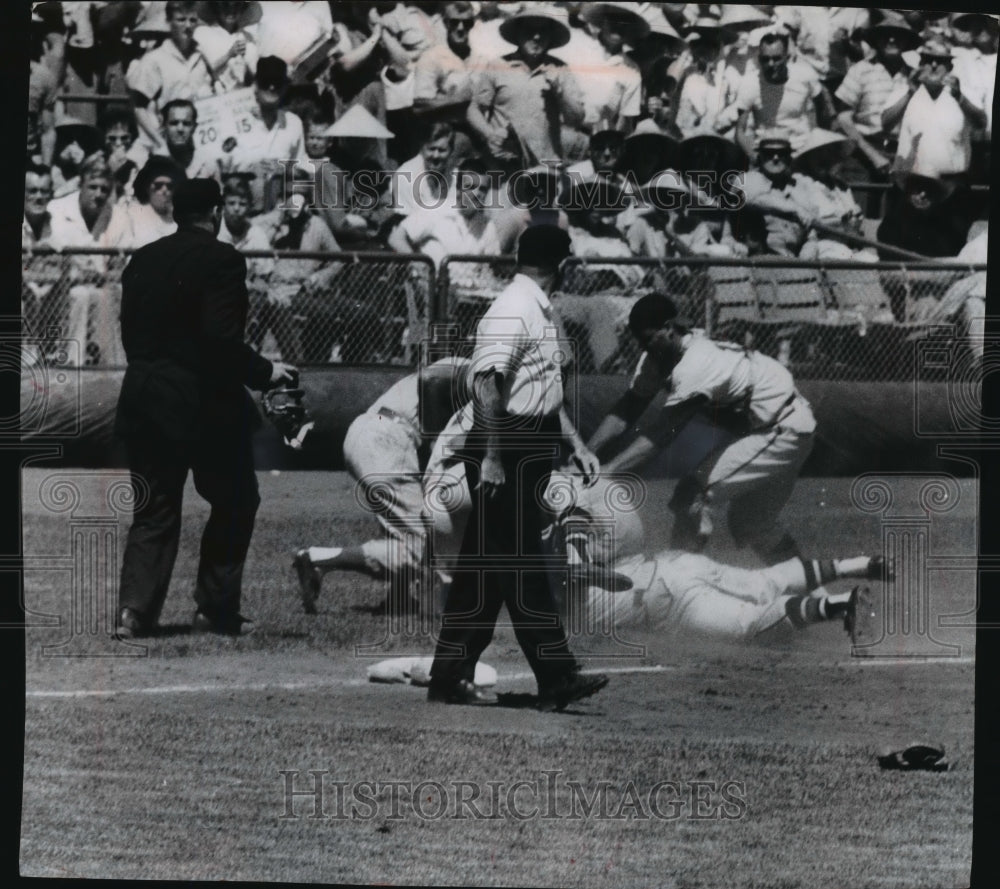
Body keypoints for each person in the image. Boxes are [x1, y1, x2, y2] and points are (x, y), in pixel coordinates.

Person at [427, 224, 609, 710]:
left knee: (482, 571)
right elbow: (487, 385)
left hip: (532, 440)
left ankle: (448, 675)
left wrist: (575, 443)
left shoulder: (540, 310)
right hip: (505, 444)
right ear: (563, 265)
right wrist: (490, 456)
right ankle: (556, 675)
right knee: (523, 562)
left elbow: (542, 389)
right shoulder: (513, 308)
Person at [115, 178, 297, 638]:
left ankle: (133, 613)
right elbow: (219, 341)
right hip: (199, 401)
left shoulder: (142, 258)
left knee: (154, 508)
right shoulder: (223, 259)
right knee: (237, 498)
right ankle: (214, 609)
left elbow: (130, 334)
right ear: (216, 213)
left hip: (142, 394)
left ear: (177, 212)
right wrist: (265, 372)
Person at [586, 292, 816, 564]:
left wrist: (606, 472)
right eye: (638, 340)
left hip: (782, 426)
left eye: (647, 338)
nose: (642, 347)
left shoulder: (697, 361)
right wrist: (585, 455)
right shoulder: (656, 357)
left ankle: (676, 583)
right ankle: (819, 595)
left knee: (692, 495)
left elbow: (662, 433)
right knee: (753, 525)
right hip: (778, 426)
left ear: (669, 329)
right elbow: (628, 409)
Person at [292, 357, 472, 614]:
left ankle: (398, 600)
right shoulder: (476, 367)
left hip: (375, 433)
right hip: (387, 437)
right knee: (424, 546)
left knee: (407, 532)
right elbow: (429, 379)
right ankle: (317, 558)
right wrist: (434, 439)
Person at [466, 6, 586, 168]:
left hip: (546, 165)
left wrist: (560, 91)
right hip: (504, 163)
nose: (536, 36)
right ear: (518, 33)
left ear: (551, 36)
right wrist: (490, 134)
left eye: (543, 31)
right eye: (530, 30)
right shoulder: (497, 65)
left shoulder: (560, 69)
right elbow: (473, 110)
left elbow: (577, 119)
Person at [219, 55, 309, 213]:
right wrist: (252, 168)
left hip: (278, 209)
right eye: (266, 82)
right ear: (255, 85)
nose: (272, 88)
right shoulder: (234, 120)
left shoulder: (293, 123)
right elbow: (220, 167)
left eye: (277, 83)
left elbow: (301, 169)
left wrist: (284, 170)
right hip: (238, 209)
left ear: (285, 87)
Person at [126, 0, 216, 154]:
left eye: (192, 20)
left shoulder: (202, 58)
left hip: (198, 145)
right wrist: (160, 144)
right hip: (164, 146)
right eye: (181, 20)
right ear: (169, 22)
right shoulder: (154, 60)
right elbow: (139, 108)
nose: (187, 26)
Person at [893, 38, 987, 182]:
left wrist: (960, 97)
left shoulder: (964, 91)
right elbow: (886, 123)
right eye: (928, 60)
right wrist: (909, 93)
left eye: (940, 61)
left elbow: (981, 123)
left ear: (950, 66)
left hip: (951, 183)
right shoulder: (904, 89)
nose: (934, 65)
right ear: (920, 65)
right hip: (912, 181)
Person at [733, 29, 835, 157]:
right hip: (766, 152)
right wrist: (756, 158)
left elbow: (824, 113)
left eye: (776, 59)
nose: (771, 64)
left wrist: (821, 145)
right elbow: (740, 131)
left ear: (786, 57)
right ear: (759, 59)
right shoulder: (749, 83)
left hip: (802, 149)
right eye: (765, 59)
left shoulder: (805, 75)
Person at [152, 99, 219, 179]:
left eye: (186, 124)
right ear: (164, 126)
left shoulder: (207, 163)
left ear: (194, 127)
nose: (180, 129)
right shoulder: (154, 164)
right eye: (174, 123)